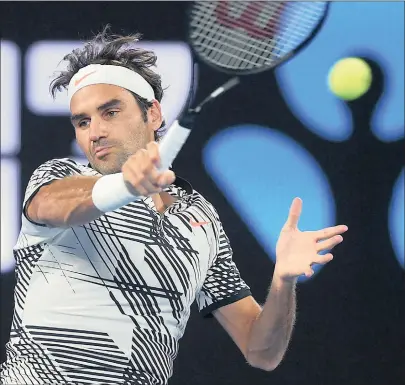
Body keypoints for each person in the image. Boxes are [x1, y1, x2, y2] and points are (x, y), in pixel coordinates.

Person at [1, 27, 348, 385]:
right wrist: (125, 185)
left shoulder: (200, 218)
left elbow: (262, 352)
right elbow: (60, 205)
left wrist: (282, 281)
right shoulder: (58, 177)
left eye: (110, 112)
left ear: (152, 114)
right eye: (83, 121)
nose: (95, 132)